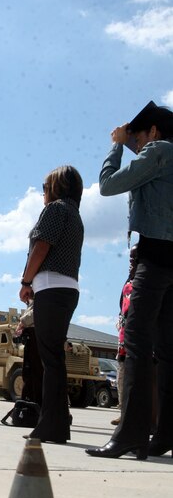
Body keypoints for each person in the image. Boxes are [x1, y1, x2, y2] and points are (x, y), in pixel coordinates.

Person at [87, 101, 173, 459]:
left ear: (152, 132)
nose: (134, 145)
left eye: (137, 138)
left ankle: (131, 434)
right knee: (167, 350)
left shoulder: (159, 150)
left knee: (137, 342)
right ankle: (165, 433)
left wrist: (115, 145)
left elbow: (108, 185)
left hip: (155, 257)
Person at [19, 165, 84, 444]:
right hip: (66, 288)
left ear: (57, 187)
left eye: (45, 186)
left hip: (52, 287)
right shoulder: (74, 214)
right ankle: (57, 424)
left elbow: (41, 246)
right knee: (54, 359)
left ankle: (51, 426)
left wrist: (25, 281)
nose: (43, 192)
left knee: (50, 360)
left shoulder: (55, 209)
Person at [111, 246, 138, 426]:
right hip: (123, 340)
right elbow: (123, 307)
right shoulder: (127, 284)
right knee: (122, 377)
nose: (131, 261)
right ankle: (124, 412)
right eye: (130, 257)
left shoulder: (148, 284)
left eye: (135, 257)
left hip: (140, 340)